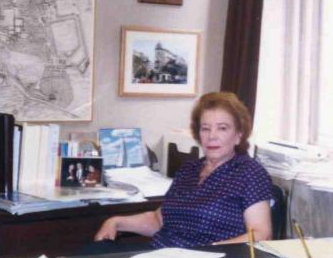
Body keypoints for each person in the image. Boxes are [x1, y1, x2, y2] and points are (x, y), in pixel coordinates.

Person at [94, 92, 272, 247]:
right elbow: (159, 220)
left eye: (222, 128)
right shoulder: (189, 170)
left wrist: (213, 250)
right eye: (205, 128)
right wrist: (116, 222)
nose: (212, 136)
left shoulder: (250, 173)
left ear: (238, 135)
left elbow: (261, 234)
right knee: (92, 256)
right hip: (161, 256)